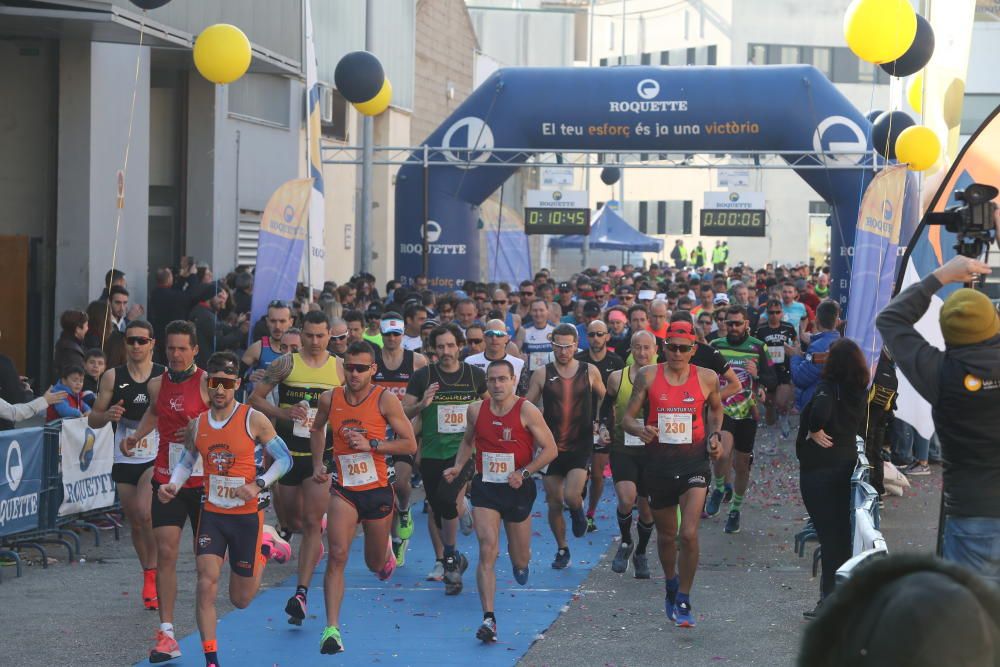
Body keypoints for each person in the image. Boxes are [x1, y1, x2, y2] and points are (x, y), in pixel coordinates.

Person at [158, 351, 292, 667]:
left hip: (246, 516)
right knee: (206, 580)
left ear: (236, 384)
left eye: (227, 384)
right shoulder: (198, 425)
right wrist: (174, 485)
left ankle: (264, 547)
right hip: (214, 514)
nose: (220, 390)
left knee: (240, 599)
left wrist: (259, 483)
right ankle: (211, 659)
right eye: (215, 383)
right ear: (208, 383)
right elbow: (188, 461)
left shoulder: (252, 419)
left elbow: (286, 459)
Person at [877, 254, 1000, 582]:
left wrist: (941, 276)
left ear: (946, 333)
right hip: (975, 511)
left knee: (974, 619)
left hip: (972, 513)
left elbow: (890, 319)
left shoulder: (940, 373)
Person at [309, 340, 417, 655]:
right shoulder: (330, 398)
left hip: (378, 490)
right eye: (349, 367)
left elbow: (409, 444)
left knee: (373, 564)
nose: (353, 374)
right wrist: (318, 463)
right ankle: (331, 629)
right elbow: (317, 429)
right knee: (338, 554)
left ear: (372, 369)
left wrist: (373, 444)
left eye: (360, 368)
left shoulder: (385, 400)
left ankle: (384, 551)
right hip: (344, 489)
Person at [443, 359, 558, 643]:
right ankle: (489, 618)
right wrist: (459, 466)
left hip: (517, 488)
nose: (496, 385)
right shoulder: (475, 410)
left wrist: (524, 472)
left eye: (502, 379)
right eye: (492, 380)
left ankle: (521, 564)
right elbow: (468, 441)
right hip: (486, 488)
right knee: (487, 549)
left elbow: (551, 449)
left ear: (512, 381)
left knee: (520, 558)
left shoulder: (527, 410)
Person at [624, 320, 724, 627]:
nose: (676, 353)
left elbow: (717, 409)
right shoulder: (648, 375)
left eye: (682, 348)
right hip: (658, 466)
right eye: (671, 347)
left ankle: (684, 596)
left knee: (688, 533)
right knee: (667, 536)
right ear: (663, 347)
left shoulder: (707, 378)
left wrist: (714, 436)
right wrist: (640, 428)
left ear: (693, 350)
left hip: (694, 464)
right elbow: (627, 418)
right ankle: (670, 583)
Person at [122, 320, 210, 663]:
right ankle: (167, 632)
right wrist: (136, 436)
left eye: (182, 348)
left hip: (204, 482)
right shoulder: (157, 384)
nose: (175, 354)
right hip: (167, 481)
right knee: (167, 554)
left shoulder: (206, 383)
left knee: (207, 564)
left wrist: (197, 433)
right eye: (171, 348)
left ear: (195, 351)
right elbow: (153, 412)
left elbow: (227, 421)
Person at [249, 310, 344, 625]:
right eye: (309, 335)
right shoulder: (285, 364)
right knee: (290, 520)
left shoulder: (340, 369)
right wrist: (284, 412)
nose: (315, 342)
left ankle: (301, 593)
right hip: (288, 455)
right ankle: (309, 544)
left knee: (312, 521)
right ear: (300, 335)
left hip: (320, 457)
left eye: (321, 335)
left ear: (329, 335)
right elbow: (255, 399)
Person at [403, 323, 487, 592]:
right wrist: (422, 405)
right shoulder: (423, 376)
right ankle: (455, 557)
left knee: (448, 500)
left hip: (463, 451)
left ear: (459, 345)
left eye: (451, 345)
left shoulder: (473, 375)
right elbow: (404, 413)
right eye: (441, 347)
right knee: (438, 507)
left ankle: (450, 560)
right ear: (433, 349)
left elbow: (493, 405)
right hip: (431, 452)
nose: (447, 351)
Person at [88, 320, 165, 611]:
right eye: (131, 341)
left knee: (146, 513)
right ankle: (146, 570)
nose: (136, 346)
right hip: (123, 455)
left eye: (141, 341)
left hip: (154, 454)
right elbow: (92, 419)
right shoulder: (112, 377)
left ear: (152, 344)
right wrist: (108, 414)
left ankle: (153, 575)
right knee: (134, 519)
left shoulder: (162, 376)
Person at [524, 323, 606, 569]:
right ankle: (562, 548)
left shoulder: (589, 371)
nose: (563, 351)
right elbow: (527, 406)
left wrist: (600, 423)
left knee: (571, 495)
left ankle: (579, 511)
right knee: (554, 501)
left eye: (568, 346)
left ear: (575, 345)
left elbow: (605, 396)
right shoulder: (542, 373)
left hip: (580, 444)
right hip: (551, 447)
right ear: (552, 345)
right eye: (558, 346)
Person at [795, 338, 868, 615]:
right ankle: (837, 597)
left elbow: (819, 414)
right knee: (839, 534)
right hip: (845, 462)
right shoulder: (858, 389)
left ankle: (830, 600)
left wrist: (813, 429)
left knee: (830, 536)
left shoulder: (829, 387)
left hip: (821, 469)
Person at [709, 305, 776, 534]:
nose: (734, 328)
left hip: (748, 412)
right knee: (721, 452)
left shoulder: (758, 347)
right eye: (730, 323)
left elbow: (773, 378)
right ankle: (718, 488)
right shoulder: (716, 346)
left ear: (747, 323)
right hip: (723, 409)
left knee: (741, 466)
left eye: (738, 323)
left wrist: (758, 376)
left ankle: (735, 509)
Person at [372, 311, 428, 566]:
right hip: (375, 434)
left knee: (401, 483)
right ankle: (391, 540)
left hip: (405, 432)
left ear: (403, 335)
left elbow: (427, 402)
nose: (392, 338)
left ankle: (404, 510)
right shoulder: (372, 361)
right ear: (381, 334)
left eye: (396, 334)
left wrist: (419, 431)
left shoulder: (417, 362)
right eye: (387, 334)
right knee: (382, 490)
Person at [604, 330, 658, 579]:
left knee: (647, 510)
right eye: (637, 347)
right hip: (623, 447)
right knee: (627, 499)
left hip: (652, 452)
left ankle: (642, 552)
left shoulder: (663, 377)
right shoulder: (617, 378)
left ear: (655, 349)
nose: (642, 352)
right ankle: (626, 542)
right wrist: (602, 428)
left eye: (647, 347)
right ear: (631, 350)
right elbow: (606, 408)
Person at [576, 319, 625, 532]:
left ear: (607, 336)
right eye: (592, 334)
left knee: (597, 474)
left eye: (600, 334)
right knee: (578, 472)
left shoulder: (616, 361)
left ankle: (590, 513)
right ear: (587, 337)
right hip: (578, 425)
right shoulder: (578, 360)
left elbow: (620, 395)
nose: (595, 338)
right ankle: (577, 504)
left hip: (604, 425)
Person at [755, 298, 798, 438]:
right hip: (767, 369)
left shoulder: (788, 327)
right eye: (771, 312)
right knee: (769, 404)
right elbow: (755, 348)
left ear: (782, 313)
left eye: (777, 312)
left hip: (784, 368)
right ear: (767, 313)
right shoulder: (761, 330)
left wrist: (792, 350)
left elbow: (797, 343)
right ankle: (772, 428)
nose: (774, 315)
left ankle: (784, 417)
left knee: (781, 401)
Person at [790, 300, 841, 411]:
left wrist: (795, 356)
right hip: (832, 402)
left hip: (816, 404)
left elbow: (800, 379)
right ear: (837, 321)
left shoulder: (817, 347)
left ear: (816, 320)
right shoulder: (841, 340)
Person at [241, 300, 293, 401]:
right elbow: (234, 378)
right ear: (267, 321)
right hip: (265, 410)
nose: (277, 326)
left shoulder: (301, 348)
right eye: (273, 321)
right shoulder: (257, 348)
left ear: (291, 322)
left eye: (282, 321)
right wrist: (248, 378)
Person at [465, 319, 525, 386]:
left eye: (499, 334)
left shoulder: (519, 364)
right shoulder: (469, 362)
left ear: (506, 338)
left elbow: (522, 394)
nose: (494, 338)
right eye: (490, 334)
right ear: (484, 337)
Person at [514, 299, 555, 376]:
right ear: (530, 312)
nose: (538, 313)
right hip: (530, 374)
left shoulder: (555, 330)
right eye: (535, 310)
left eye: (541, 310)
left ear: (547, 311)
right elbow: (516, 353)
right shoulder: (523, 330)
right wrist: (521, 357)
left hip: (551, 374)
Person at [53, 309, 88, 382]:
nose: (88, 329)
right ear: (78, 329)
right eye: (86, 325)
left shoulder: (64, 344)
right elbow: (76, 377)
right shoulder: (72, 351)